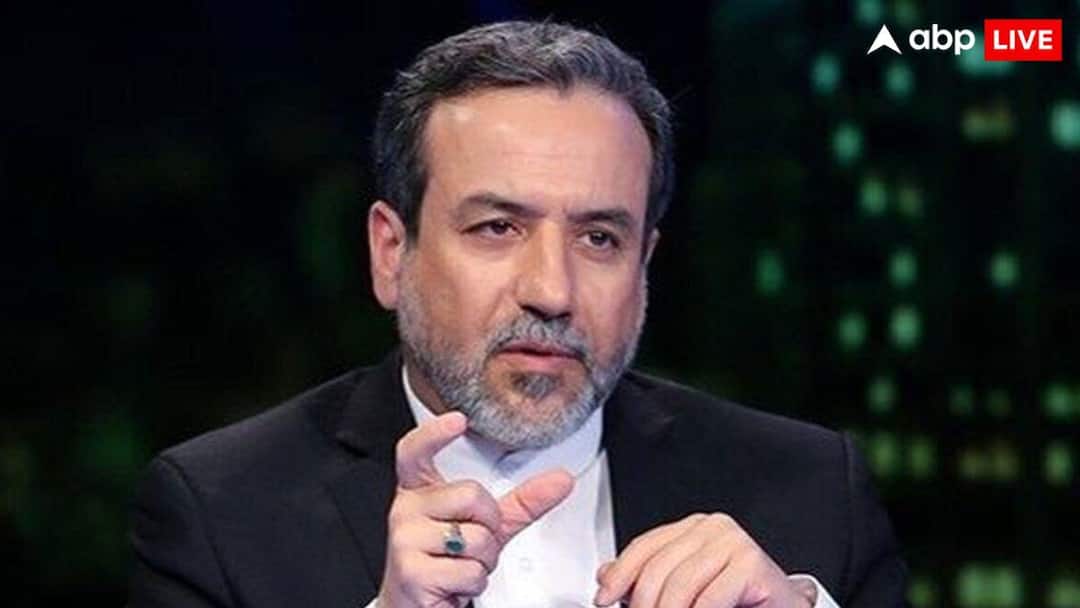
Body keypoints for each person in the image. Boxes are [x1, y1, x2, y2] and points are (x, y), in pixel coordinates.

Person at [129, 20, 907, 608]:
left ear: (644, 266)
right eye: (498, 228)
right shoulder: (222, 512)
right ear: (391, 253)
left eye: (599, 238)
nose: (552, 290)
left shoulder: (812, 494)